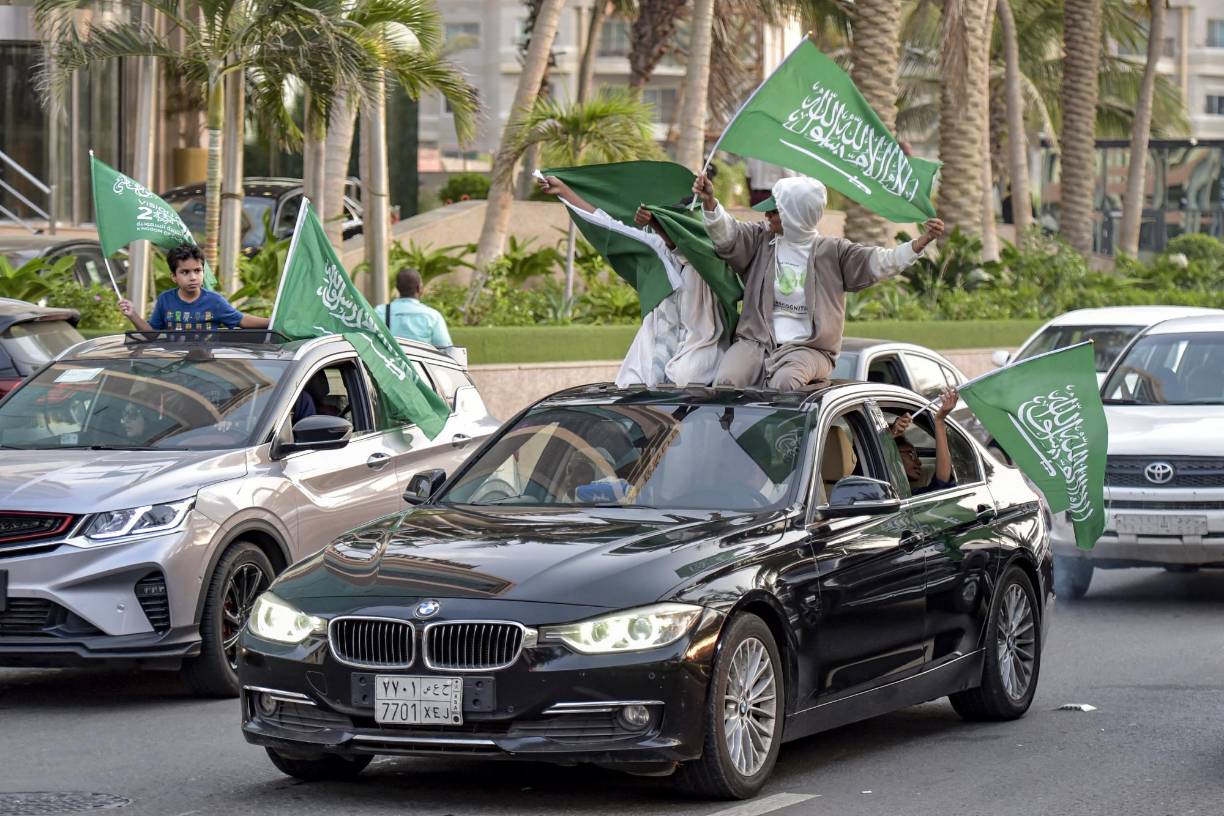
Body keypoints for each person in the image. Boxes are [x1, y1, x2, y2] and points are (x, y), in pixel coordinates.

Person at [692, 173, 945, 390]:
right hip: (756, 342)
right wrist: (710, 202)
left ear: (795, 214)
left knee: (786, 383)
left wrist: (919, 244)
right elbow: (728, 236)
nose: (767, 214)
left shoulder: (833, 252)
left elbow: (881, 262)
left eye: (775, 210)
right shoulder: (761, 239)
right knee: (727, 380)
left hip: (810, 349)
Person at [537, 174, 725, 388]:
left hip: (700, 352)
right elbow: (609, 226)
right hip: (653, 347)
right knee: (628, 386)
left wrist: (658, 223)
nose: (676, 228)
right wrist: (564, 191)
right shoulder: (656, 247)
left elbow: (687, 248)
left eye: (683, 223)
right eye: (672, 221)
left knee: (684, 380)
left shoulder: (714, 256)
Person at [119, 244, 270, 332]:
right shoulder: (165, 299)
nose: (193, 277)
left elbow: (242, 320)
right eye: (185, 272)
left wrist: (274, 322)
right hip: (172, 367)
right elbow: (151, 333)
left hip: (206, 367)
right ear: (174, 277)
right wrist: (133, 315)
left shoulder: (214, 301)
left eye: (197, 271)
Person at [890, 386, 959, 494]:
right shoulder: (876, 494)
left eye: (916, 456)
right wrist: (890, 436)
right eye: (911, 454)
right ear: (892, 456)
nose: (919, 462)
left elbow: (941, 484)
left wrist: (939, 420)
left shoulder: (908, 496)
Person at [380, 267, 454, 353]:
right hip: (422, 365)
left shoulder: (380, 311)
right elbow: (446, 350)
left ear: (397, 287)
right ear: (419, 288)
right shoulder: (432, 316)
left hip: (390, 365)